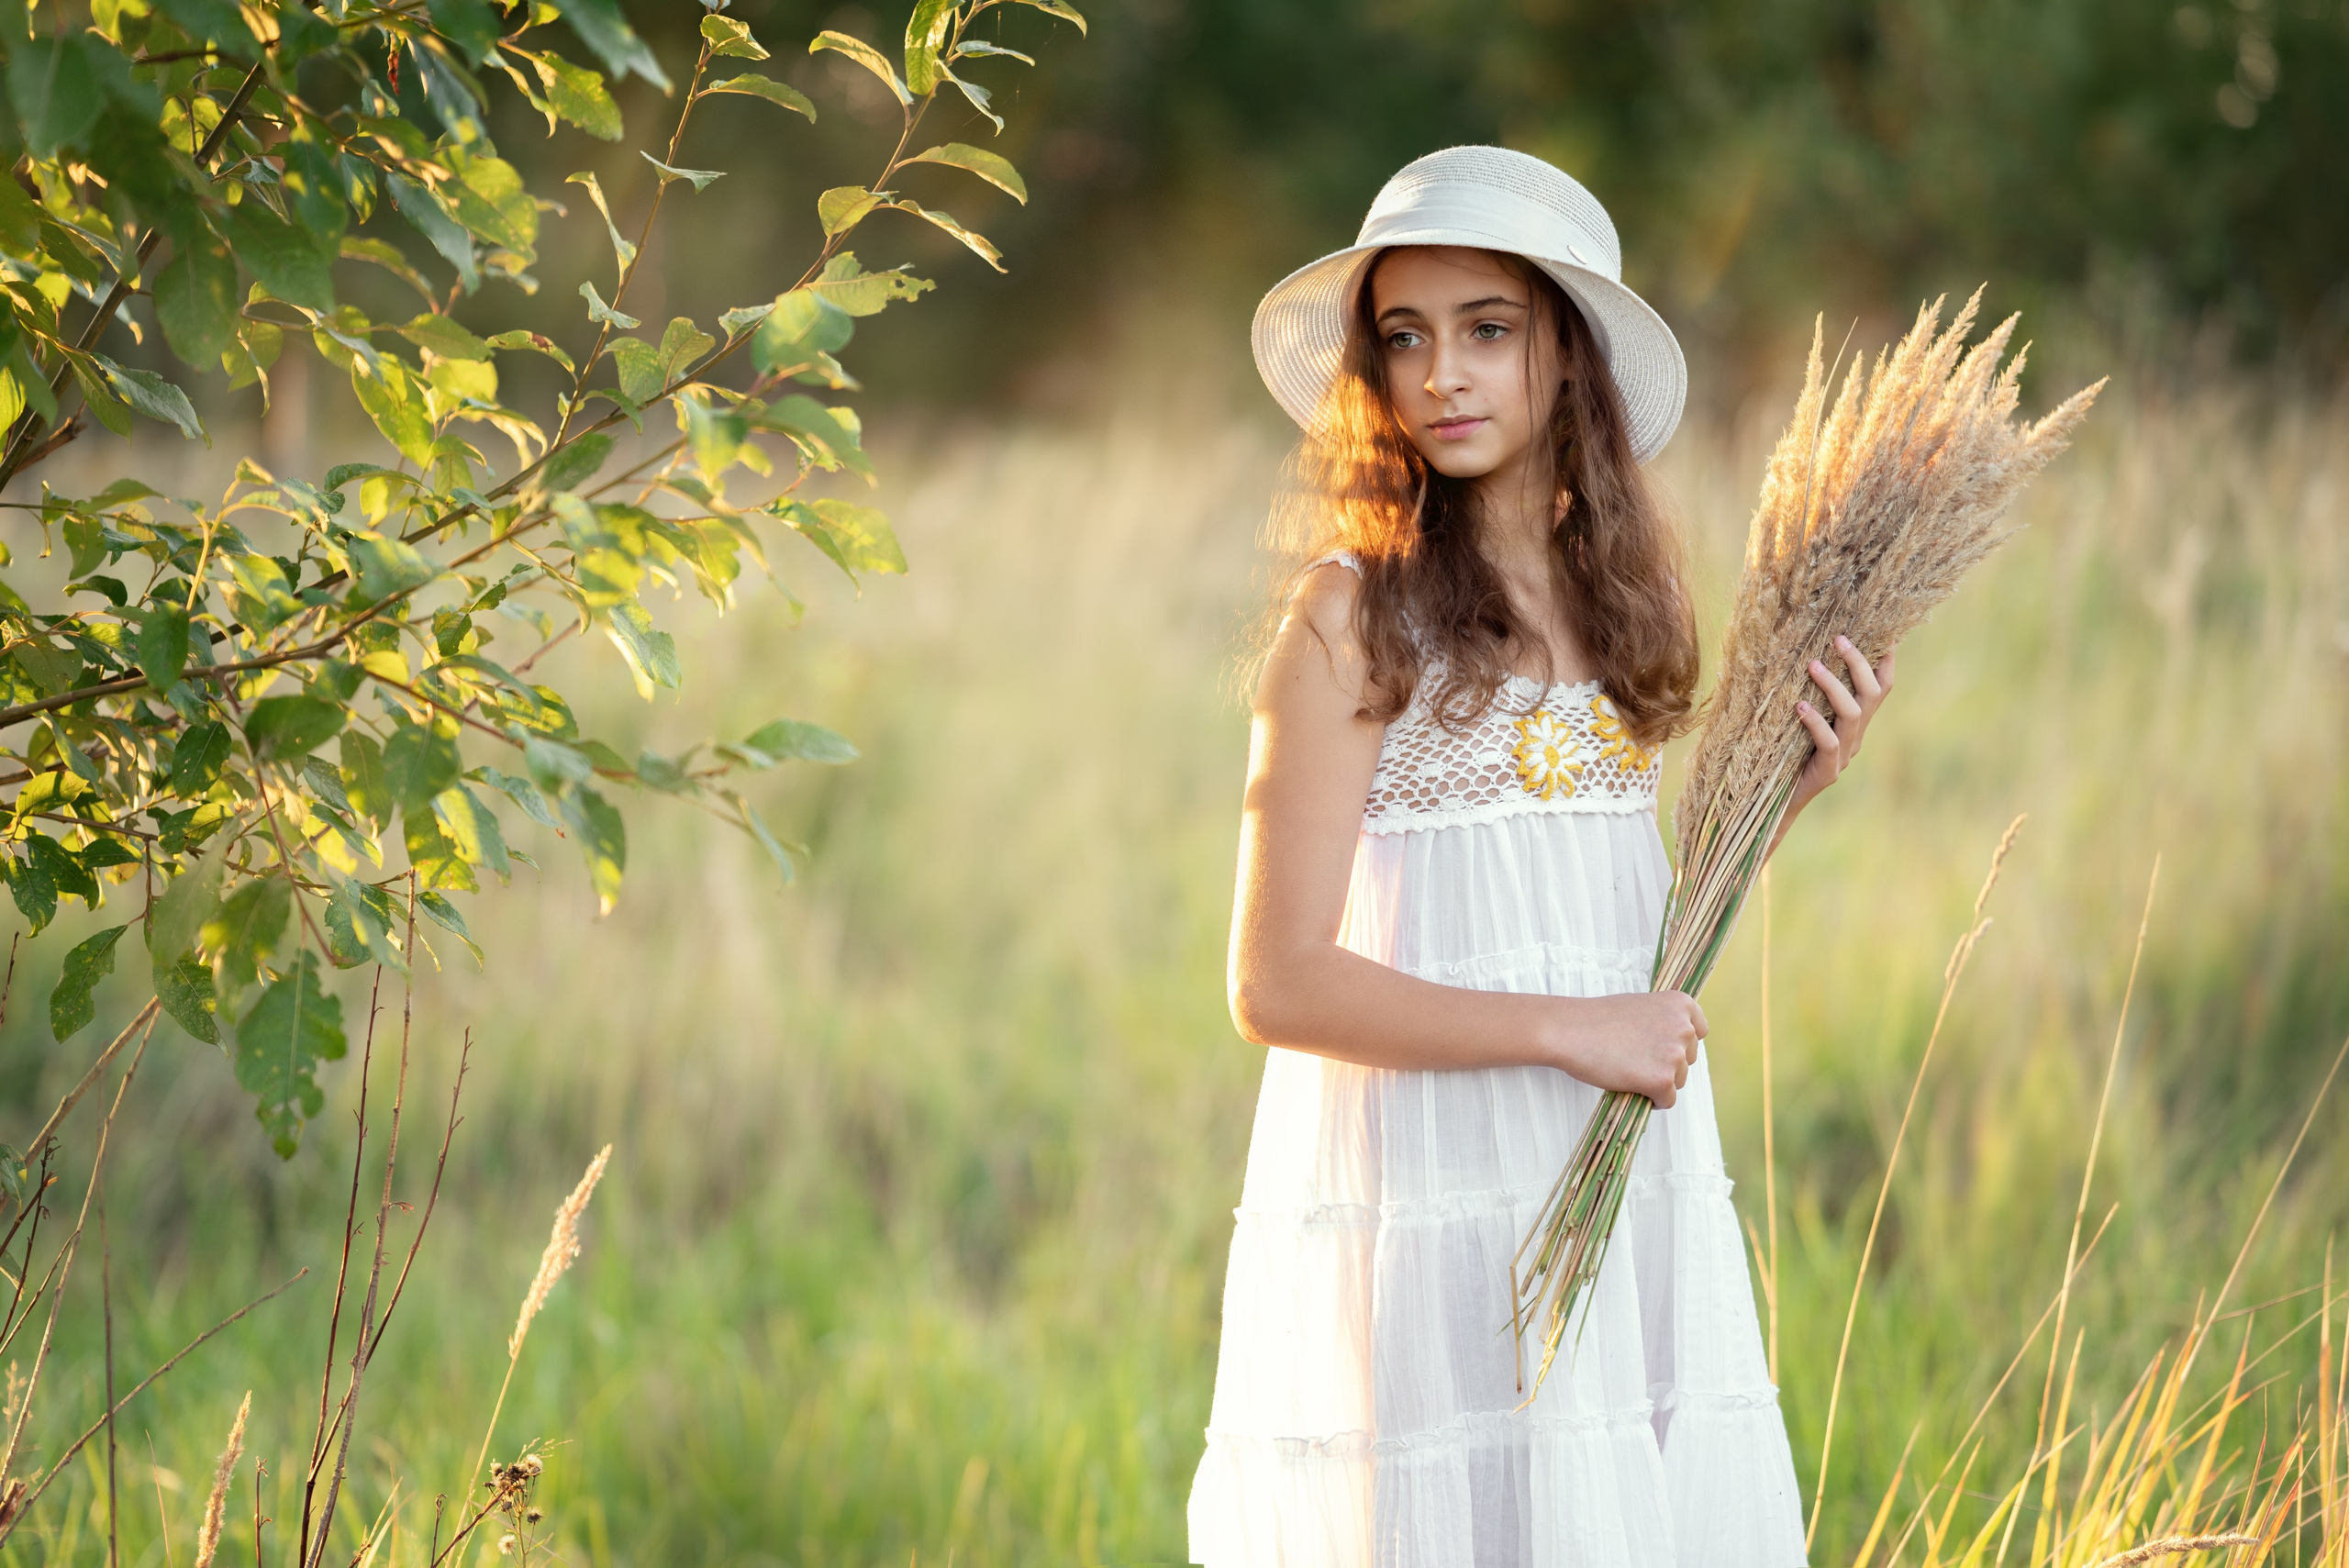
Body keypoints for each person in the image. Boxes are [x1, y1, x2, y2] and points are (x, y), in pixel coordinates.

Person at [1186, 146, 1895, 1566]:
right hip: (1443, 1185)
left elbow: (1618, 913)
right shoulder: (1349, 619)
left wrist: (1779, 797)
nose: (1442, 371)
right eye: (1406, 336)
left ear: (1565, 355)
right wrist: (1568, 1031)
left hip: (1610, 1164)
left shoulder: (1618, 599)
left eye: (1487, 329)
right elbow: (1278, 985)